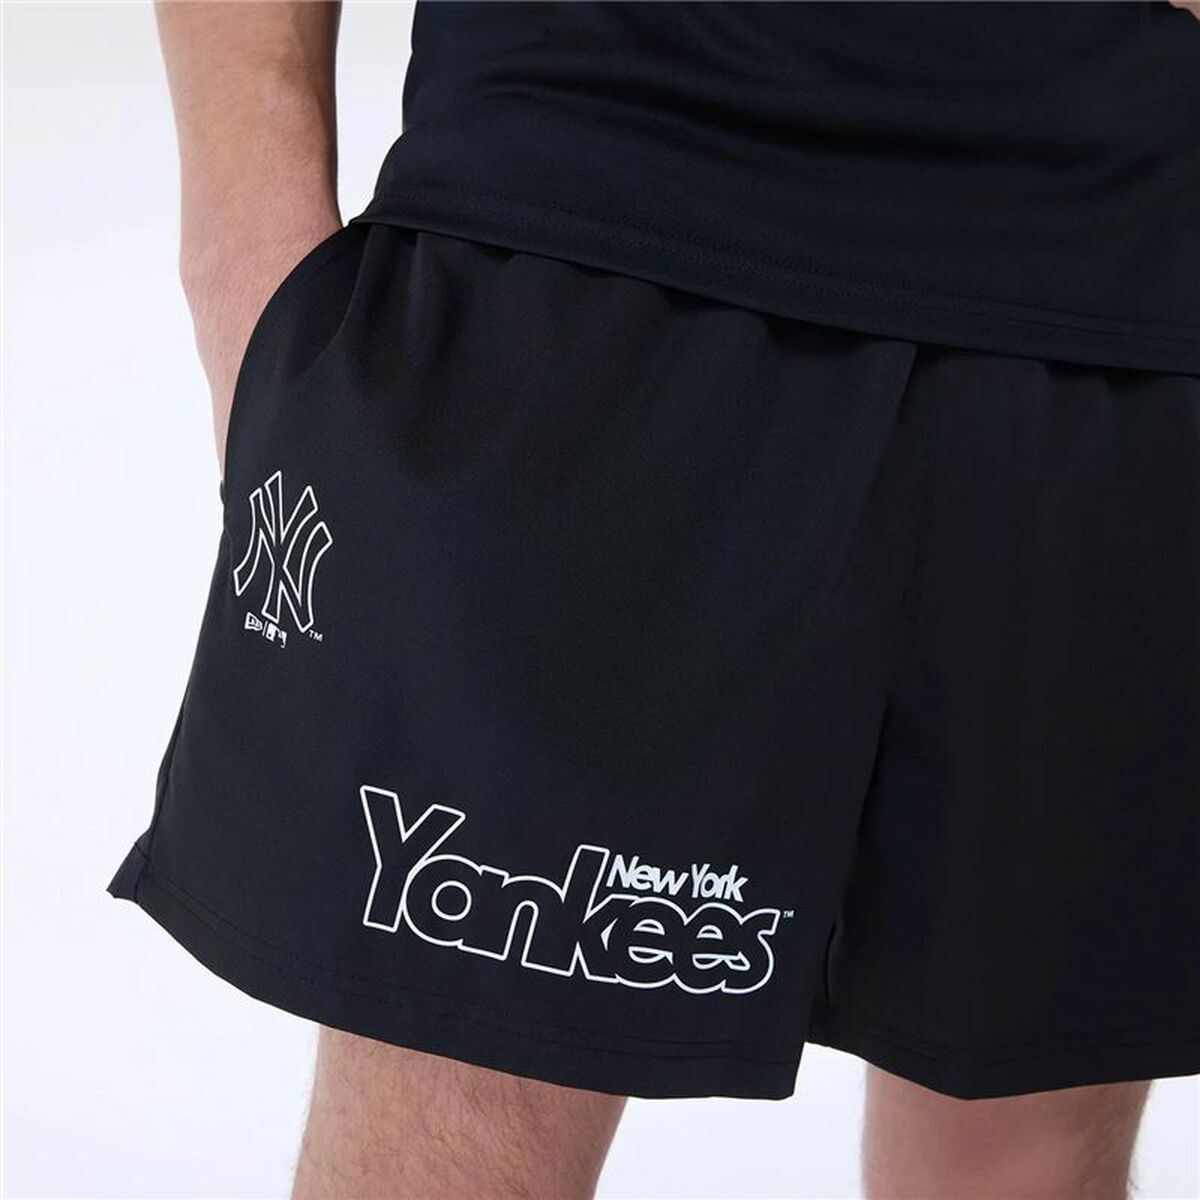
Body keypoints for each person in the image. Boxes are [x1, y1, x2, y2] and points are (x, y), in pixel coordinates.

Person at [111, 4, 1200, 1197]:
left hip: (1126, 258)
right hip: (596, 208)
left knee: (1027, 1151)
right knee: (465, 1123)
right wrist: (245, 251)